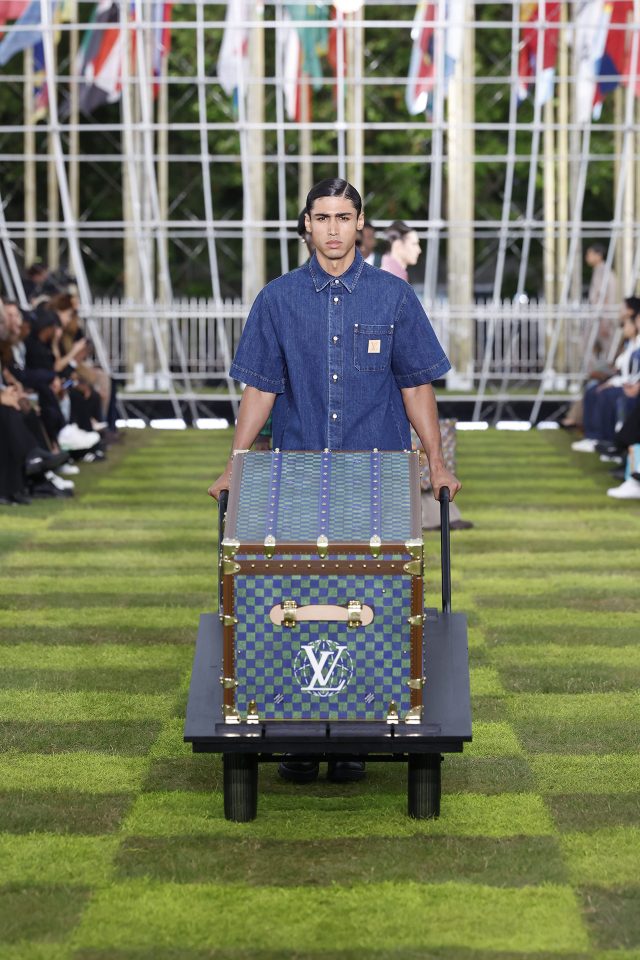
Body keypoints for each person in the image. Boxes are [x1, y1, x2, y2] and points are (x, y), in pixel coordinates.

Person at [208, 177, 460, 784]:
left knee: (375, 598)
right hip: (296, 473)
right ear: (306, 225)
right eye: (321, 218)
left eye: (343, 218)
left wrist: (437, 461)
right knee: (298, 597)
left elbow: (416, 385)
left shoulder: (393, 298)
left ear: (359, 224)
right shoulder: (277, 299)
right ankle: (298, 736)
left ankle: (358, 732)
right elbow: (260, 389)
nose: (333, 229)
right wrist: (235, 462)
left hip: (378, 475)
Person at [585, 243, 618, 359]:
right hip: (602, 316)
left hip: (602, 317)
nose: (587, 257)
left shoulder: (602, 271)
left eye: (590, 254)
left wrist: (604, 322)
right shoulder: (601, 270)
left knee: (606, 350)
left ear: (599, 255)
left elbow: (604, 297)